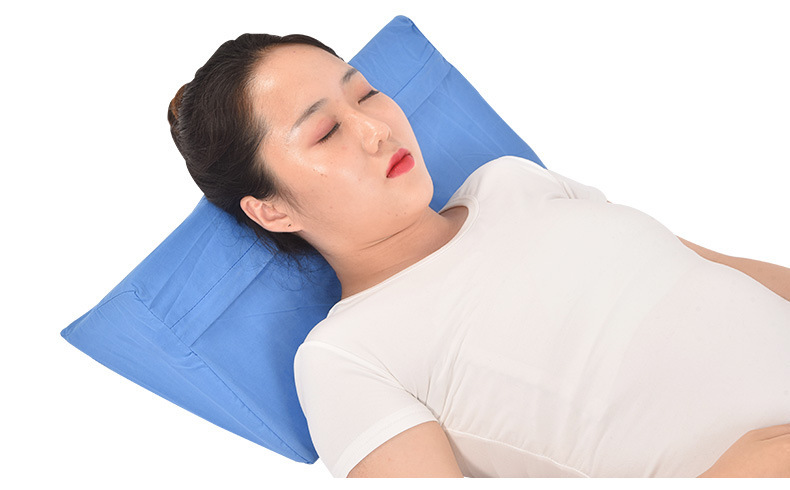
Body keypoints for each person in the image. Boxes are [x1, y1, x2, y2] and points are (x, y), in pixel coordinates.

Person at [167, 33, 790, 478]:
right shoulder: (343, 357)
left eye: (365, 94)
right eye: (325, 132)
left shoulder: (512, 180)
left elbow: (715, 270)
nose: (376, 129)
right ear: (273, 210)